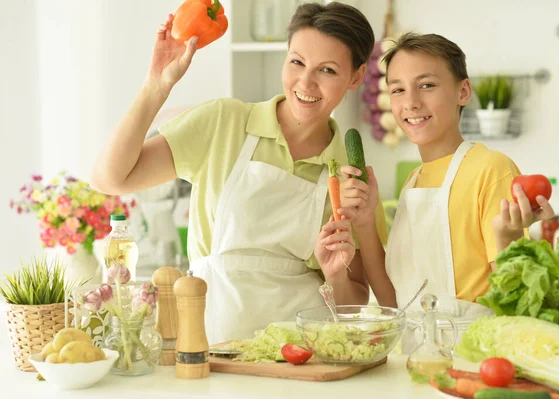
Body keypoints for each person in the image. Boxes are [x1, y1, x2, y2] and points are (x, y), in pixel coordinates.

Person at [89, 2, 388, 344]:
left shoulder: (351, 179)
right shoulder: (225, 122)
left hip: (302, 355)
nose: (305, 82)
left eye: (328, 70)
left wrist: (335, 276)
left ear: (357, 76)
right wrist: (157, 83)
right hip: (212, 345)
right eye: (297, 62)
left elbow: (354, 302)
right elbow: (110, 178)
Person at [339, 32, 554, 318]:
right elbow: (394, 303)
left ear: (463, 91)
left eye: (426, 85)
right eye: (398, 90)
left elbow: (517, 302)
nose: (411, 102)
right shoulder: (413, 181)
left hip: (475, 350)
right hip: (416, 354)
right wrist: (364, 222)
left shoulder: (491, 169)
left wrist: (508, 238)